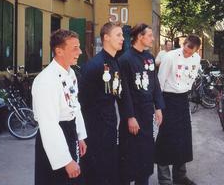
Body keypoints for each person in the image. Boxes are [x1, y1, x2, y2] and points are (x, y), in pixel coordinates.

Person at [32, 29, 87, 185]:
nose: (80, 52)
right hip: (54, 140)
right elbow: (49, 125)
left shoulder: (71, 73)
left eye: (79, 47)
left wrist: (80, 135)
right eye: (75, 48)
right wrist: (65, 161)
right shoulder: (46, 80)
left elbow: (75, 106)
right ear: (59, 51)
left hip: (70, 134)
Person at [118, 23, 165, 185]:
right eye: (150, 35)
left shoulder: (150, 57)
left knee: (145, 156)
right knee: (129, 156)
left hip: (146, 114)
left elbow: (155, 84)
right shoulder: (125, 59)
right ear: (140, 36)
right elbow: (124, 92)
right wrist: (130, 116)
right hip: (133, 114)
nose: (153, 39)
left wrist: (158, 107)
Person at [79, 22, 124, 185]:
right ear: (106, 37)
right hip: (95, 130)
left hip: (110, 126)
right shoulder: (94, 65)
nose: (122, 39)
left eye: (122, 35)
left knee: (109, 169)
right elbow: (82, 102)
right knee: (96, 172)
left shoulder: (115, 62)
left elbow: (116, 92)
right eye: (118, 35)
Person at [155, 35, 202, 185]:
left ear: (196, 50)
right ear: (183, 44)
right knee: (165, 139)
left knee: (183, 140)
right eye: (185, 50)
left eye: (190, 52)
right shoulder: (169, 57)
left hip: (182, 100)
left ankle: (180, 177)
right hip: (168, 99)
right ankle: (164, 179)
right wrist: (158, 108)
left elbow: (191, 77)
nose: (187, 54)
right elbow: (159, 83)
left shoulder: (196, 59)